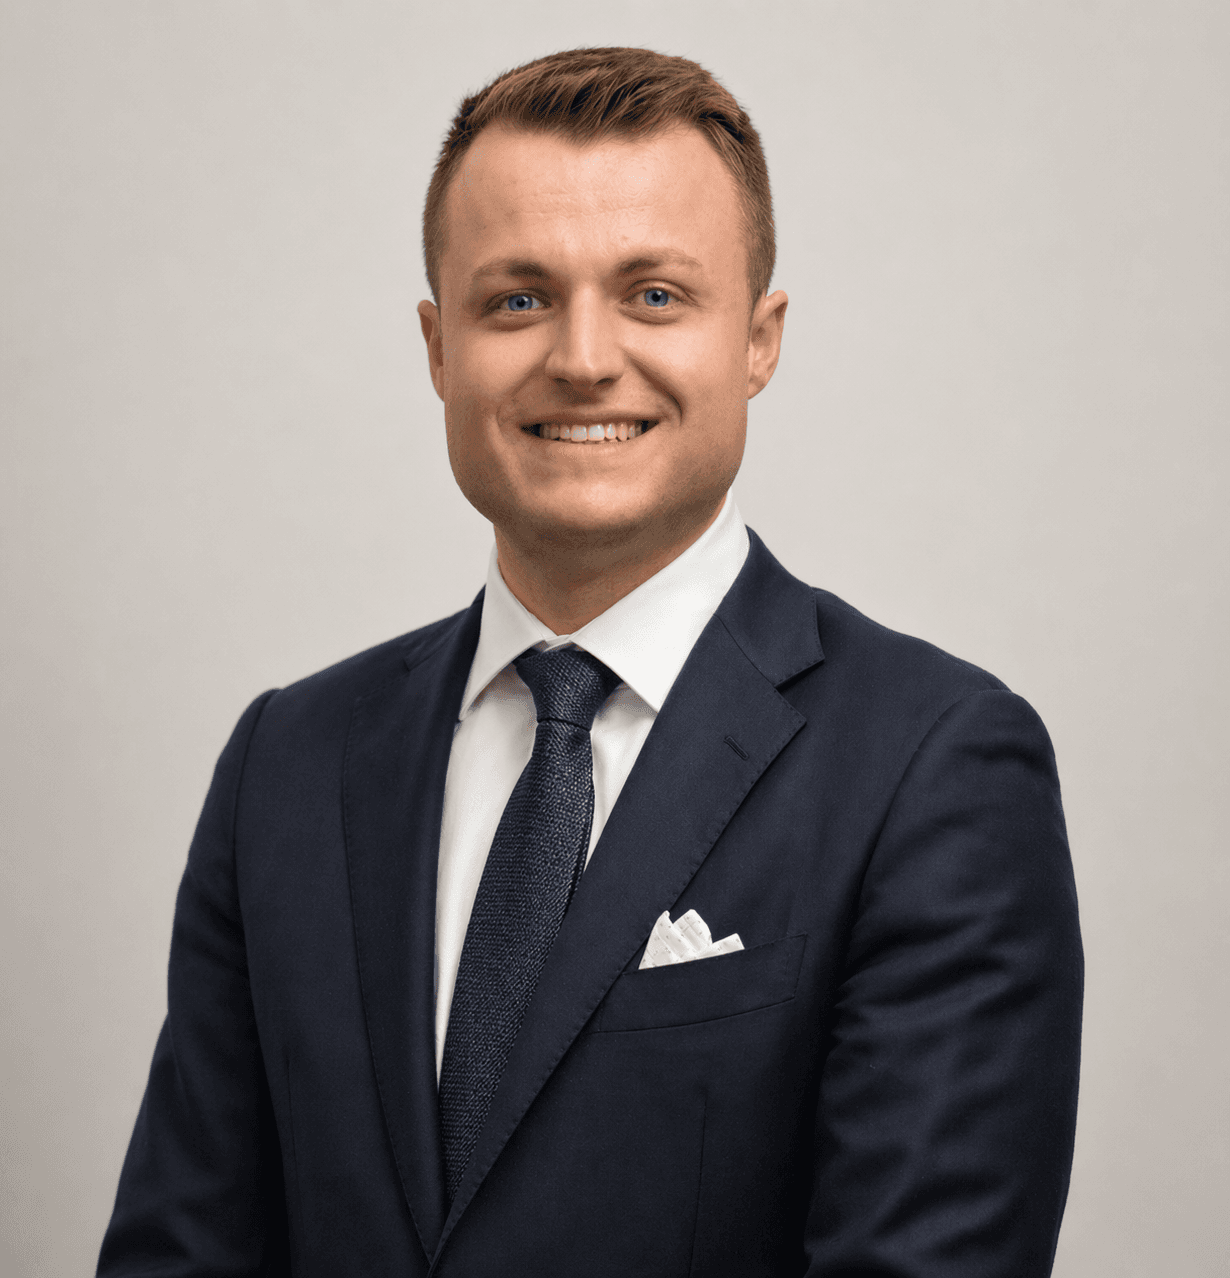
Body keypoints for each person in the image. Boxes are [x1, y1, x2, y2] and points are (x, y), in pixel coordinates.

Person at [98, 47, 1083, 1278]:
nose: (581, 356)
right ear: (438, 346)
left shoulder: (933, 769)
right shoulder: (288, 765)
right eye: (516, 299)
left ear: (760, 339)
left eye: (655, 295)